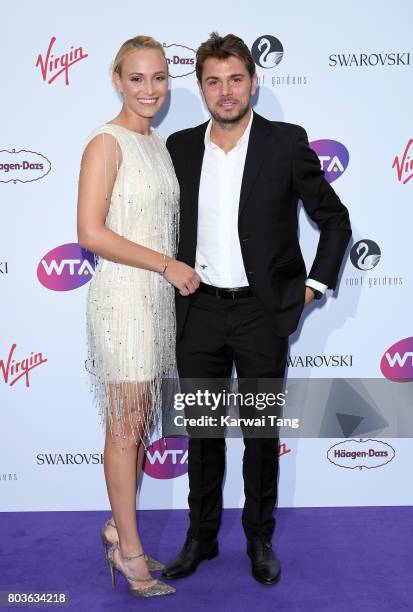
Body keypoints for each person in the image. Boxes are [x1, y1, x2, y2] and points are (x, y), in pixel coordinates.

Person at [162, 32, 352, 585]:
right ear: (200, 88)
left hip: (262, 314)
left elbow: (334, 221)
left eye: (235, 79)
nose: (225, 92)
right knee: (202, 432)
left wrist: (312, 289)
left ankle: (258, 538)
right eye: (214, 81)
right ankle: (201, 538)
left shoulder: (286, 143)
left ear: (254, 81)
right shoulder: (178, 149)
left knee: (261, 435)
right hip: (198, 312)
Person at [77, 35, 200, 599]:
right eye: (136, 78)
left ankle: (115, 526)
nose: (149, 89)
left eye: (158, 78)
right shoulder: (106, 142)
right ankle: (129, 552)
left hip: (156, 305)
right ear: (117, 80)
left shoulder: (155, 143)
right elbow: (90, 233)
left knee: (138, 426)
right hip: (124, 302)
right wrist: (167, 264)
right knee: (126, 430)